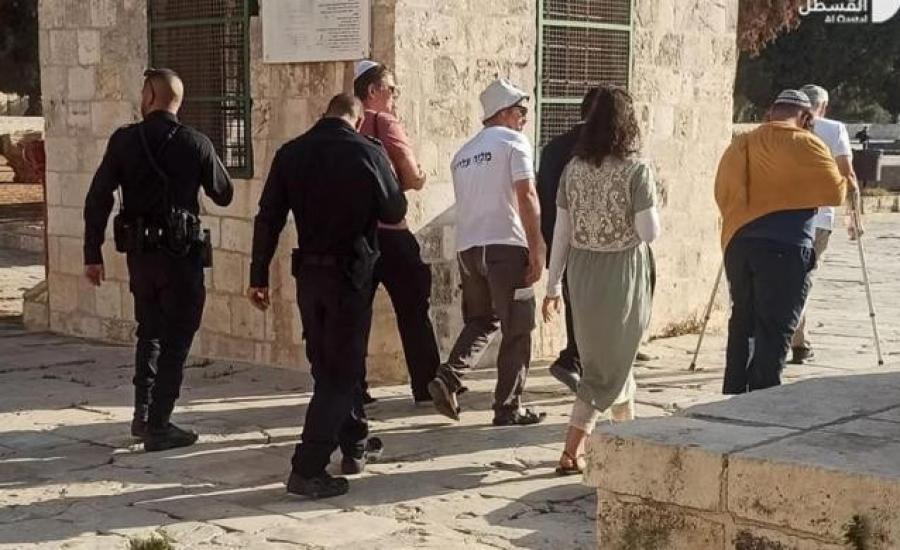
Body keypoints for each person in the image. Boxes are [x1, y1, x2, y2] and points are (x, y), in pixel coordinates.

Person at [247, 94, 407, 499]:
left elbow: (268, 218)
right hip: (349, 276)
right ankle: (308, 467)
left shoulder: (291, 152)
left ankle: (354, 443)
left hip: (310, 276)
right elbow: (394, 211)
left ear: (326, 113)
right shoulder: (368, 152)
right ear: (358, 119)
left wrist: (258, 275)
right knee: (341, 371)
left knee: (328, 364)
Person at [83, 68, 234, 451]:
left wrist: (92, 253)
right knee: (177, 337)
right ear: (177, 101)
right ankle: (159, 424)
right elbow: (223, 193)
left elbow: (98, 196)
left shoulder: (124, 141)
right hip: (180, 258)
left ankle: (144, 415)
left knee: (149, 332)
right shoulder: (195, 142)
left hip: (141, 258)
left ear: (150, 97)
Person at [542, 85, 660, 475]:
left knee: (612, 361)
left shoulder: (572, 170)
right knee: (605, 369)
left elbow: (561, 232)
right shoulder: (636, 170)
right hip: (621, 274)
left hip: (582, 274)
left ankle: (628, 443)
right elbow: (649, 232)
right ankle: (571, 451)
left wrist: (552, 286)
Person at [715, 89, 854, 395]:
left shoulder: (742, 143)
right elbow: (835, 192)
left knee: (743, 318)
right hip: (786, 244)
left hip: (740, 243)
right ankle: (763, 394)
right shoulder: (808, 144)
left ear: (771, 112)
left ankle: (735, 389)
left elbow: (722, 192)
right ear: (806, 118)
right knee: (775, 325)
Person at [427, 78, 546, 426]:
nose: (524, 118)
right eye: (521, 111)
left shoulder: (462, 155)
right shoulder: (514, 143)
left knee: (482, 319)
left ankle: (449, 376)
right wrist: (537, 246)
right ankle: (508, 407)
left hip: (469, 248)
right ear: (504, 113)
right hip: (505, 246)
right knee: (517, 326)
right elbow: (526, 195)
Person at [353, 60, 438, 405]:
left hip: (356, 235)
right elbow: (412, 174)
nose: (395, 96)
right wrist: (419, 178)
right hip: (391, 232)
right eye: (391, 89)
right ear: (373, 90)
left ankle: (355, 387)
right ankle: (427, 383)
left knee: (357, 313)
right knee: (414, 308)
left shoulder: (346, 125)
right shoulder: (384, 121)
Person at [790, 84, 858, 364]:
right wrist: (854, 216)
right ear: (824, 106)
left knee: (788, 278)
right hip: (819, 217)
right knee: (803, 279)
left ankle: (798, 342)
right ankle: (793, 338)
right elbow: (847, 175)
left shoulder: (785, 127)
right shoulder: (834, 129)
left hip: (781, 213)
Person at [536, 88, 598, 391]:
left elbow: (541, 196)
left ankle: (575, 358)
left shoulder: (552, 148)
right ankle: (575, 358)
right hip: (588, 241)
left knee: (576, 302)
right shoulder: (596, 150)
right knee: (591, 304)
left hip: (555, 236)